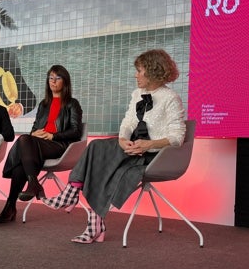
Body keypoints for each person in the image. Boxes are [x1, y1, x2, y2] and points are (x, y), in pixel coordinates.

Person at [43, 49, 186, 244]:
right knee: (96, 148)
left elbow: (177, 137)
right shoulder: (137, 94)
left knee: (103, 168)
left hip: (153, 155)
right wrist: (122, 140)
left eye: (140, 71)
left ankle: (79, 204)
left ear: (152, 71)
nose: (136, 75)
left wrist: (149, 144)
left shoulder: (171, 99)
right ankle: (74, 195)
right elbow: (127, 122)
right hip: (130, 146)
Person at [0, 65, 83, 223]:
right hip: (39, 144)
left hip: (60, 146)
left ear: (65, 82)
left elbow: (76, 132)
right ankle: (21, 195)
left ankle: (20, 196)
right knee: (25, 145)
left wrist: (52, 135)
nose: (53, 81)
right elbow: (35, 128)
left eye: (57, 78)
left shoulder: (72, 104)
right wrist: (34, 133)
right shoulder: (43, 104)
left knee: (23, 143)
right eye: (50, 78)